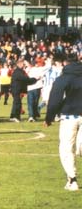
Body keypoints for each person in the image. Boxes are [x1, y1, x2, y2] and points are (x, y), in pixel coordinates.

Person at [44, 51, 82, 191]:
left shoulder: (64, 78)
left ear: (65, 63)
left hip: (68, 116)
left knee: (66, 149)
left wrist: (49, 118)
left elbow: (55, 99)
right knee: (78, 147)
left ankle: (72, 180)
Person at [10, 58, 36, 123]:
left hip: (16, 89)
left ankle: (13, 116)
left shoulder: (18, 71)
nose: (24, 65)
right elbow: (25, 79)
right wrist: (34, 79)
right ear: (20, 64)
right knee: (17, 103)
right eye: (23, 64)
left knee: (16, 103)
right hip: (16, 89)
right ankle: (16, 116)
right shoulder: (18, 72)